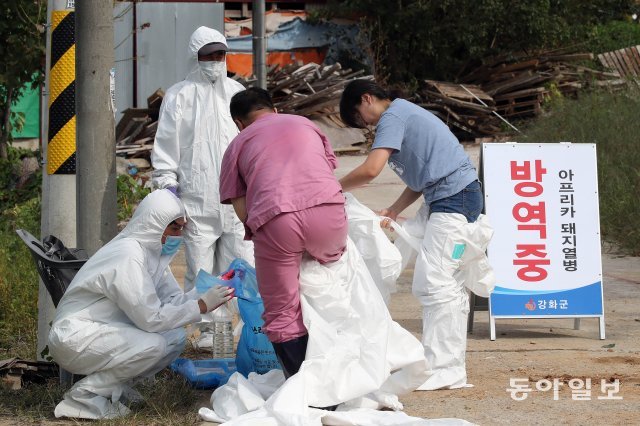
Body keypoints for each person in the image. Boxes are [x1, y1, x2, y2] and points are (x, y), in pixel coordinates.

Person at [339, 79, 492, 390]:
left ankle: (446, 368)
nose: (364, 126)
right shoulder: (404, 113)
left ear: (367, 99)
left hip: (454, 199)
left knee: (437, 283)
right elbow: (422, 178)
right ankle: (438, 362)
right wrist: (394, 211)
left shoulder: (392, 117)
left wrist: (328, 188)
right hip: (447, 196)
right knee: (405, 254)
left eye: (358, 117)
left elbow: (371, 170)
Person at [48, 190, 235, 419]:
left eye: (181, 228)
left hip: (102, 331)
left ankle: (117, 387)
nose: (179, 235)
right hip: (75, 337)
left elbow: (172, 301)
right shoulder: (128, 255)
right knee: (153, 344)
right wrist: (201, 306)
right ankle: (84, 396)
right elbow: (150, 318)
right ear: (155, 224)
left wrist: (210, 290)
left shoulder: (151, 254)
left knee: (175, 337)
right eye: (174, 228)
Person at [219, 87, 347, 379]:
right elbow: (324, 170)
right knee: (330, 282)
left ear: (239, 122)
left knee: (281, 311)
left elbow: (242, 210)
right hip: (329, 211)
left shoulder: (238, 144)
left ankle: (307, 389)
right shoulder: (306, 124)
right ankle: (344, 372)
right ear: (274, 109)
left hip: (276, 220)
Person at [151, 26, 253, 292]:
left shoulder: (237, 92)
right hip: (197, 204)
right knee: (202, 276)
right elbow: (165, 149)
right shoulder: (178, 96)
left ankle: (245, 331)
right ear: (195, 57)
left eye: (220, 55)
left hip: (237, 204)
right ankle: (209, 333)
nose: (215, 61)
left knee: (244, 273)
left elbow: (251, 142)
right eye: (208, 56)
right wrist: (169, 192)